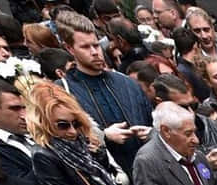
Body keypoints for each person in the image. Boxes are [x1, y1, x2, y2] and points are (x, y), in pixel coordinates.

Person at [57, 10, 155, 168]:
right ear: (70, 49)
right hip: (108, 172)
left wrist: (150, 133)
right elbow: (64, 144)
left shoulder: (126, 82)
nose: (94, 52)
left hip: (148, 168)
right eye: (85, 47)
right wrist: (104, 136)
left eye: (96, 45)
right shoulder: (63, 92)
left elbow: (150, 120)